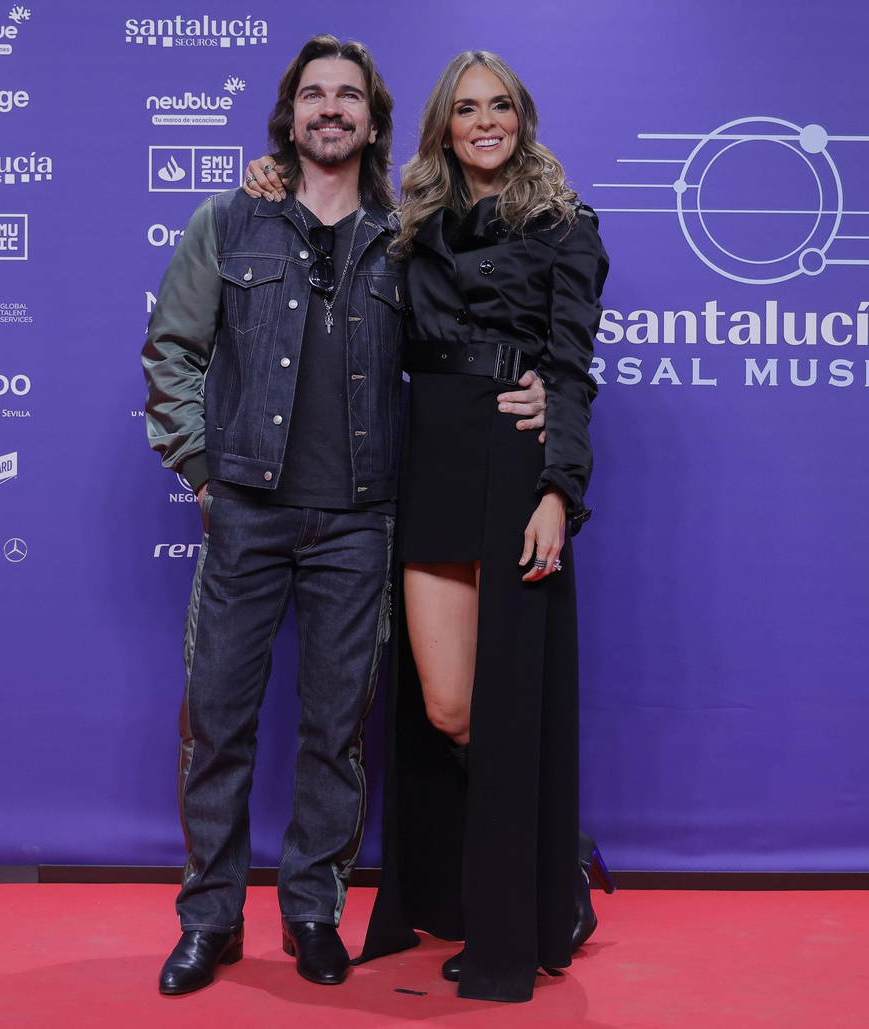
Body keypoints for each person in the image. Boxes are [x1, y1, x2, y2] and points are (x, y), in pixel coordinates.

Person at [140, 35, 546, 997]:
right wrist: (203, 469)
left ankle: (313, 914)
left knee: (335, 730)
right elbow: (170, 351)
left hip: (362, 520)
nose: (331, 109)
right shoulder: (230, 219)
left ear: (373, 119)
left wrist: (534, 386)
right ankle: (210, 921)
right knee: (219, 723)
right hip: (247, 511)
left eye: (349, 96)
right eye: (313, 94)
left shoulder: (409, 236)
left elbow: (472, 334)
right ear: (291, 114)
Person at [243, 49, 611, 1003]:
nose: (484, 122)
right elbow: (328, 237)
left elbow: (568, 371)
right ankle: (559, 860)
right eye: (466, 109)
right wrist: (273, 177)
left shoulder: (567, 227)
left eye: (501, 107)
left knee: (511, 705)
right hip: (431, 465)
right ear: (443, 126)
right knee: (447, 707)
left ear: (521, 119)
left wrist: (558, 491)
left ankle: (524, 911)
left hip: (514, 466)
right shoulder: (407, 229)